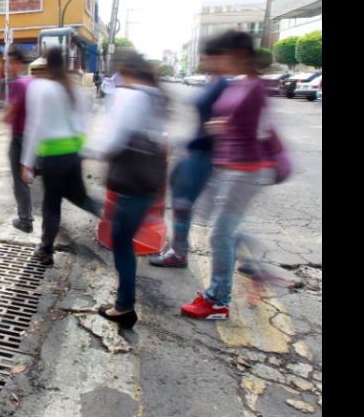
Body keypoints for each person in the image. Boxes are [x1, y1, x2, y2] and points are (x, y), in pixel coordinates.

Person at [180, 31, 275, 320]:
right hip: (228, 169)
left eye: (222, 56)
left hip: (243, 171)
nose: (216, 62)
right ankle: (248, 273)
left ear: (239, 55)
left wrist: (228, 129)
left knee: (219, 235)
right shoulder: (241, 84)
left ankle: (217, 301)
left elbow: (261, 132)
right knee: (221, 232)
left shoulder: (254, 88)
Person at [91, 49, 168, 329]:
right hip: (148, 180)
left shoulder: (131, 96)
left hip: (132, 181)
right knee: (124, 240)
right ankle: (123, 303)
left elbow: (113, 140)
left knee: (122, 243)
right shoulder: (154, 94)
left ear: (124, 70)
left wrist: (86, 149)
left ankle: (124, 307)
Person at [149, 35, 230, 268]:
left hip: (206, 154)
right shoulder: (212, 82)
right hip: (198, 151)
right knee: (183, 203)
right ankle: (179, 249)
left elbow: (226, 123)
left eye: (210, 55)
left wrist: (198, 144)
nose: (205, 59)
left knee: (188, 205)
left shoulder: (224, 86)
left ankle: (179, 252)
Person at [20, 47, 101, 266]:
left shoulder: (43, 89)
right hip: (73, 154)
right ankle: (109, 214)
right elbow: (84, 122)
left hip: (53, 158)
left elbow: (35, 126)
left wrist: (27, 162)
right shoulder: (75, 90)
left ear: (46, 64)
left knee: (52, 205)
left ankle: (46, 250)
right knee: (78, 196)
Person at [3, 45, 35, 233]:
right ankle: (26, 216)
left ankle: (25, 219)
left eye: (13, 62)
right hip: (30, 135)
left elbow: (10, 111)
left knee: (19, 179)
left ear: (21, 64)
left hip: (20, 137)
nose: (9, 66)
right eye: (8, 61)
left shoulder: (18, 84)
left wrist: (1, 117)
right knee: (25, 176)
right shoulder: (30, 81)